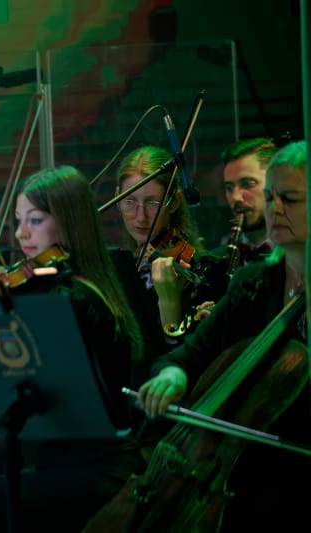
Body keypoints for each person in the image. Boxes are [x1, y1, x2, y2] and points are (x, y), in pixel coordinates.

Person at [0, 165, 147, 532]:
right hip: (53, 462)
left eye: (34, 220)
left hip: (92, 468)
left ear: (68, 222)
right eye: (18, 220)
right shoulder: (60, 290)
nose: (21, 233)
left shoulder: (72, 298)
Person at [134, 139, 310, 531]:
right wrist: (173, 375)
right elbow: (186, 357)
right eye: (271, 197)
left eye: (290, 199)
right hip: (239, 469)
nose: (274, 209)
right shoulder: (253, 283)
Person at [115, 145, 227, 339]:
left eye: (153, 203)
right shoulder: (122, 267)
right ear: (117, 197)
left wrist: (170, 302)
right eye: (130, 201)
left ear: (174, 202)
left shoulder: (201, 269)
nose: (140, 217)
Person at [218, 137, 277, 265]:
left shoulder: (303, 255)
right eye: (229, 188)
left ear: (277, 184)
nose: (235, 197)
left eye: (248, 184)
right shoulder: (218, 260)